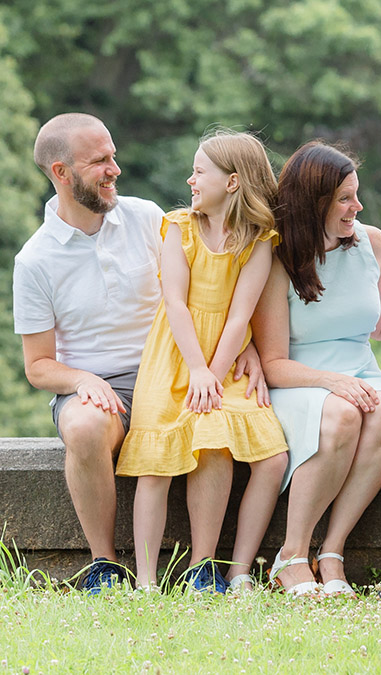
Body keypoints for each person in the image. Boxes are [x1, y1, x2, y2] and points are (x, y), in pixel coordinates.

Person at [14, 114, 267, 593]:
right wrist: (83, 382)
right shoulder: (35, 261)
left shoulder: (149, 217)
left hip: (171, 369)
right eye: (100, 162)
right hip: (96, 387)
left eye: (113, 156)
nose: (115, 169)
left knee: (211, 424)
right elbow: (38, 366)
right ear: (61, 173)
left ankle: (203, 567)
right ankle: (105, 565)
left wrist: (247, 344)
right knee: (86, 428)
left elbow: (200, 294)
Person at [116, 131, 289, 592]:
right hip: (175, 355)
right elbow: (175, 303)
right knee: (155, 459)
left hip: (224, 361)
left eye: (199, 171)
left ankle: (206, 567)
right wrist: (196, 370)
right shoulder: (179, 227)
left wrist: (213, 374)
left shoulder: (258, 239)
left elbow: (239, 316)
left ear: (232, 182)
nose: (190, 179)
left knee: (257, 452)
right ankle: (147, 582)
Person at [251, 141, 381, 596]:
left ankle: (332, 551)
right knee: (340, 412)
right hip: (300, 380)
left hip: (358, 369)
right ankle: (291, 555)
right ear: (312, 202)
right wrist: (331, 382)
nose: (357, 206)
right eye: (344, 198)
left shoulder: (371, 242)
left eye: (356, 194)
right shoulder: (277, 257)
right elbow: (273, 363)